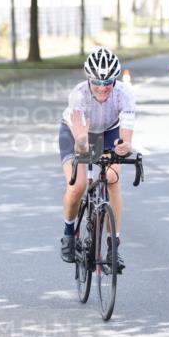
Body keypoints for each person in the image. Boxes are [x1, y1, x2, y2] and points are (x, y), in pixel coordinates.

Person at [58, 47, 136, 272]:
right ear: (88, 79)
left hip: (109, 131)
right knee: (78, 185)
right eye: (97, 82)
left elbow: (126, 139)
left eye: (108, 82)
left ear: (116, 79)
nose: (102, 87)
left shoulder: (125, 94)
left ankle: (113, 247)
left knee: (112, 178)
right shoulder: (79, 95)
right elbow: (82, 143)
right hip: (77, 131)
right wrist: (84, 145)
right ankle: (68, 234)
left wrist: (123, 148)